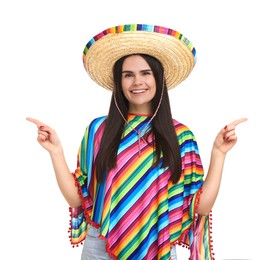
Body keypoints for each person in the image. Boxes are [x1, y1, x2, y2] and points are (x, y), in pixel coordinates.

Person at [27, 24, 247, 260]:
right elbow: (76, 198)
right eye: (128, 75)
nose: (137, 82)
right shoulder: (98, 130)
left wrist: (219, 153)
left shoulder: (180, 135)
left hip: (158, 248)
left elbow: (201, 207)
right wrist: (55, 151)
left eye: (145, 73)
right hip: (101, 247)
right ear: (119, 82)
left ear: (158, 78)